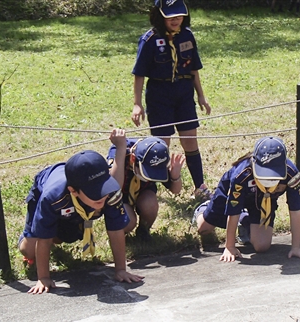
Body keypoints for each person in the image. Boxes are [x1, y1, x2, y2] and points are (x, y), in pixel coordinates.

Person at [19, 149, 144, 294]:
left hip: (74, 201)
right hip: (46, 184)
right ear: (73, 191)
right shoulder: (52, 198)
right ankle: (30, 236)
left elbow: (116, 230)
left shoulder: (112, 192)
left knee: (65, 236)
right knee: (29, 250)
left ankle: (63, 229)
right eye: (95, 193)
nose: (102, 196)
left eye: (104, 188)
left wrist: (121, 270)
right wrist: (44, 277)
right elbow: (44, 239)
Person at [131, 0, 212, 201]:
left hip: (184, 93)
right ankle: (158, 187)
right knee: (161, 145)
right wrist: (137, 103)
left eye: (179, 15)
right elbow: (139, 74)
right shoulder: (149, 40)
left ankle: (199, 186)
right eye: (170, 16)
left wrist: (201, 95)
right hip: (160, 95)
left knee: (190, 141)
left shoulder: (188, 36)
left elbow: (194, 69)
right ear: (160, 15)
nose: (176, 20)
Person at [193, 136, 300, 262]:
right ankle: (205, 205)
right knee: (204, 229)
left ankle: (244, 221)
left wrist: (296, 247)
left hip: (263, 200)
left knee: (262, 246)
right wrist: (229, 246)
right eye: (265, 173)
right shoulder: (241, 176)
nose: (269, 179)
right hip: (231, 194)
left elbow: (295, 211)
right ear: (255, 162)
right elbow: (233, 211)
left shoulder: (292, 175)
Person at [106, 128, 186, 239]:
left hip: (143, 192)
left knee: (150, 204)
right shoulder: (120, 149)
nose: (150, 177)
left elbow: (175, 190)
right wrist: (120, 150)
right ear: (134, 159)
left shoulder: (157, 158)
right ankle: (119, 234)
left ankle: (143, 230)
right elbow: (113, 188)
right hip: (120, 195)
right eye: (147, 173)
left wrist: (175, 176)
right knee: (129, 221)